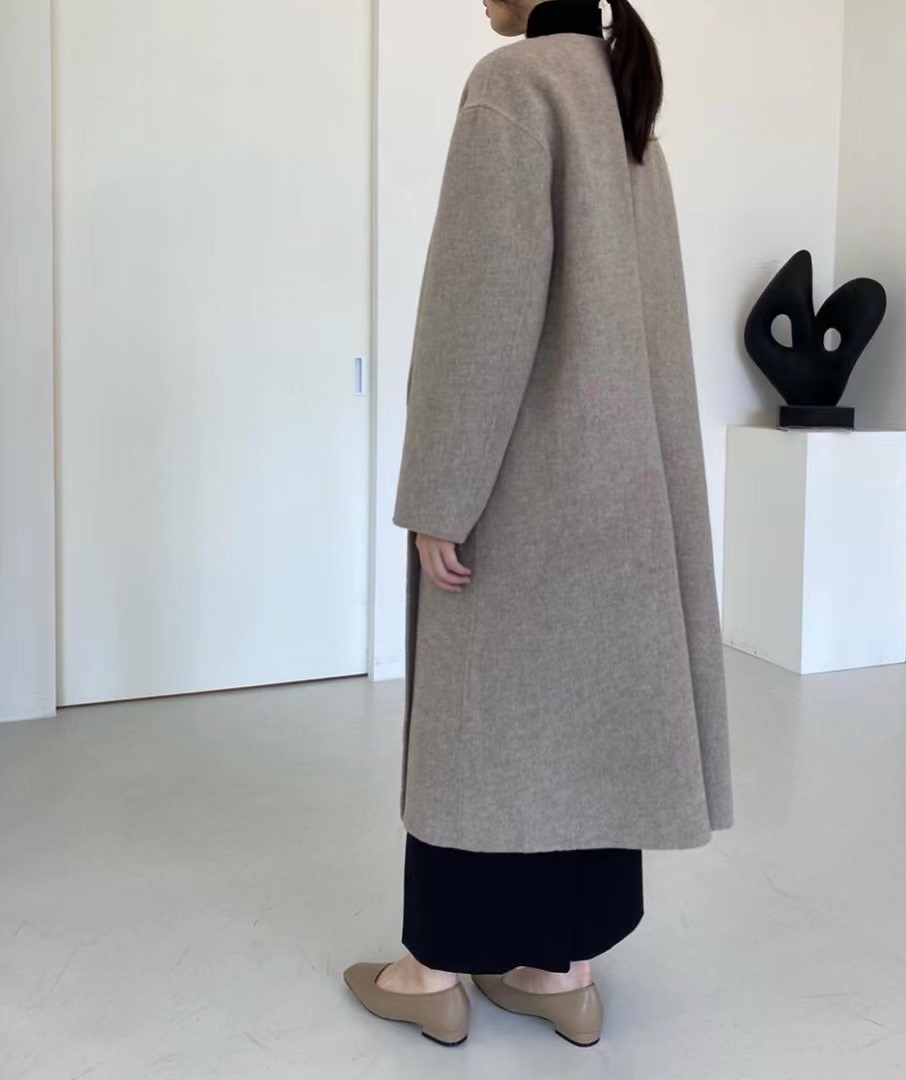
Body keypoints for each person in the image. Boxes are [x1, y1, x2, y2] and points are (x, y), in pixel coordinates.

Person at [344, 0, 733, 1048]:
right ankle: (561, 971)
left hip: (526, 483)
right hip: (622, 481)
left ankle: (432, 972)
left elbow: (481, 306)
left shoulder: (513, 84)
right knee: (586, 720)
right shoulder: (620, 92)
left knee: (481, 720)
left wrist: (441, 491)